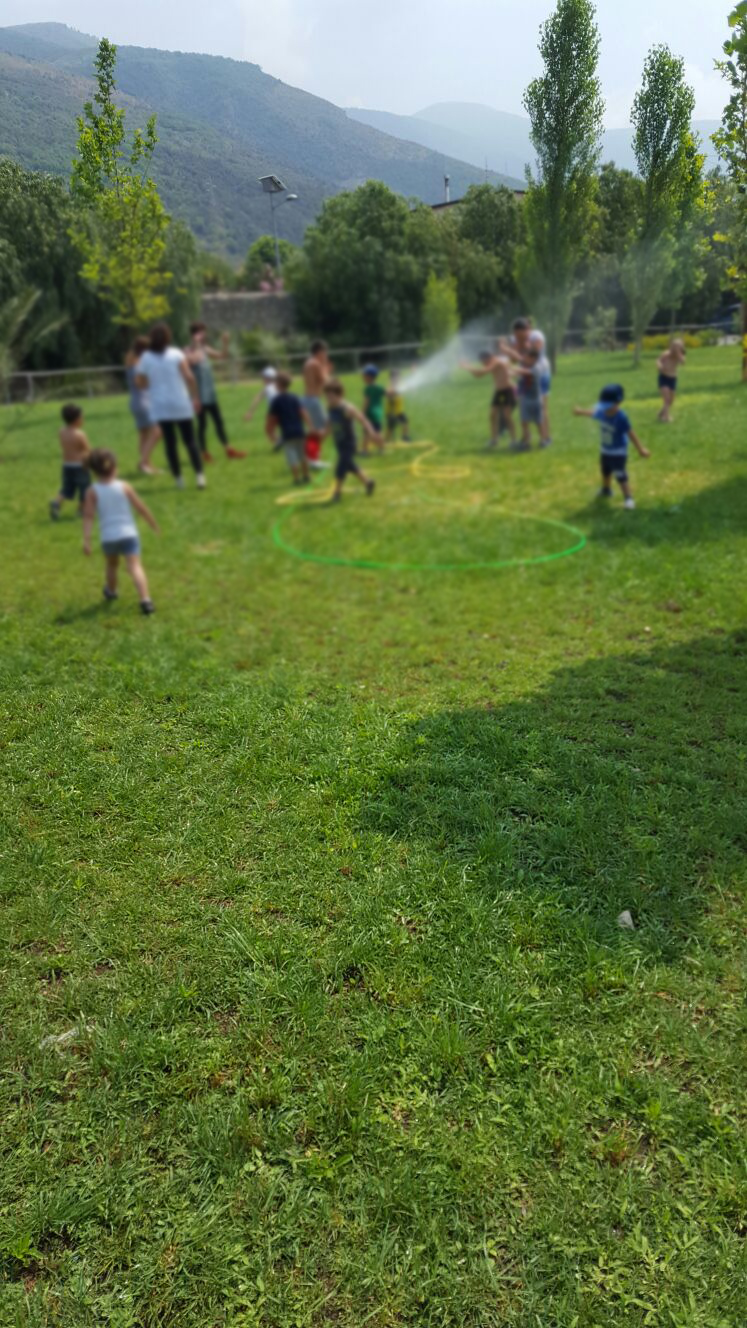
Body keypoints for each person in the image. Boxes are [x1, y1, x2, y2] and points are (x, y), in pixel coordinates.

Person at [82, 448, 159, 614]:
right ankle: (145, 599)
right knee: (135, 566)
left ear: (94, 471)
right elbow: (140, 507)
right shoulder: (124, 486)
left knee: (112, 566)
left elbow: (88, 516)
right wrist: (153, 523)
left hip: (109, 537)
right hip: (129, 534)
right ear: (114, 467)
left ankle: (111, 591)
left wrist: (86, 540)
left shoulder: (92, 491)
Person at [136, 323, 206, 490]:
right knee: (190, 441)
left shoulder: (146, 357)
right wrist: (195, 397)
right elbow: (189, 377)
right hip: (180, 402)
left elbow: (140, 382)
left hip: (161, 405)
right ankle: (200, 477)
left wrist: (152, 384)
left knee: (170, 443)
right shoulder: (176, 353)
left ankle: (179, 480)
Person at [573, 384, 650, 510]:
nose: (606, 410)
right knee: (605, 471)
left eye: (608, 407)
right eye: (604, 407)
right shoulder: (603, 413)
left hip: (618, 452)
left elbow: (631, 433)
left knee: (620, 474)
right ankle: (606, 489)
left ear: (618, 403)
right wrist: (581, 412)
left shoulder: (621, 417)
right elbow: (593, 413)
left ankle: (628, 498)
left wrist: (641, 449)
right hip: (605, 450)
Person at [185, 322, 246, 461]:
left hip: (210, 393)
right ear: (193, 334)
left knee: (219, 421)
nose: (203, 335)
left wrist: (225, 343)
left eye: (203, 332)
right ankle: (204, 452)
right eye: (200, 332)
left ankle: (228, 449)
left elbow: (222, 356)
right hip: (198, 395)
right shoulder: (187, 350)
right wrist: (197, 345)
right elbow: (193, 360)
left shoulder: (205, 349)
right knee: (202, 425)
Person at [322, 379, 378, 502]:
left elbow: (362, 419)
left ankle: (337, 493)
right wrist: (322, 436)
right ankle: (368, 483)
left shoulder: (346, 408)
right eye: (327, 396)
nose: (328, 399)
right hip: (339, 443)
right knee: (350, 465)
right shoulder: (330, 408)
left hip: (349, 443)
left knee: (340, 467)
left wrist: (371, 432)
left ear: (339, 395)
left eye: (331, 396)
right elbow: (329, 424)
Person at [501, 317, 552, 446]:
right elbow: (514, 360)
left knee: (542, 407)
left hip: (540, 374)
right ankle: (526, 438)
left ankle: (546, 438)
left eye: (521, 336)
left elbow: (532, 356)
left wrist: (514, 350)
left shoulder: (537, 336)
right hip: (524, 376)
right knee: (523, 406)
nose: (518, 339)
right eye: (516, 336)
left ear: (527, 330)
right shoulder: (516, 341)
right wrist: (512, 352)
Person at [461, 349, 518, 449]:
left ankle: (514, 440)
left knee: (507, 416)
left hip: (508, 390)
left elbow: (484, 371)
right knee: (492, 415)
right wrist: (468, 368)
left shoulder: (497, 361)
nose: (483, 364)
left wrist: (467, 367)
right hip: (499, 391)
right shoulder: (490, 363)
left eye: (484, 362)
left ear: (489, 358)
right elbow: (478, 375)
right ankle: (494, 440)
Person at [124, 336, 162, 475]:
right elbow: (139, 384)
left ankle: (146, 464)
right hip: (143, 401)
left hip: (136, 402)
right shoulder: (137, 364)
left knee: (144, 435)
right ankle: (143, 462)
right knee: (158, 432)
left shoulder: (132, 360)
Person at [266, 372, 310, 485]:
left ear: (278, 384)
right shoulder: (295, 398)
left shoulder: (276, 401)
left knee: (292, 457)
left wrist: (270, 432)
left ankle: (296, 478)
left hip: (287, 433)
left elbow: (272, 418)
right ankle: (306, 476)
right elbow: (303, 412)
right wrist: (310, 426)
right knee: (302, 455)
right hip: (299, 431)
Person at [50, 403, 91, 520]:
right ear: (77, 420)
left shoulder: (61, 431)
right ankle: (80, 510)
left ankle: (56, 503)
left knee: (67, 488)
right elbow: (87, 450)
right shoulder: (80, 434)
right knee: (84, 489)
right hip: (80, 466)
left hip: (67, 465)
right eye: (82, 417)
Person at [302, 340, 332, 468]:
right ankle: (313, 458)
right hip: (313, 400)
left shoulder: (308, 362)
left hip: (308, 399)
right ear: (319, 352)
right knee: (324, 428)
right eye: (325, 352)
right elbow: (326, 382)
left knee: (316, 430)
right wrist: (325, 369)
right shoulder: (316, 363)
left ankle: (310, 455)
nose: (326, 355)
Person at [516, 347, 546, 450]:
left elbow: (526, 372)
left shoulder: (537, 367)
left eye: (527, 357)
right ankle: (527, 442)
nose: (525, 359)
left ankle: (542, 440)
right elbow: (520, 375)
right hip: (525, 398)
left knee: (539, 421)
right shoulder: (525, 366)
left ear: (534, 358)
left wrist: (511, 368)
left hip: (536, 399)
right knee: (524, 421)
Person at [656, 339, 686, 423]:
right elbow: (658, 360)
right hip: (664, 377)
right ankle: (666, 417)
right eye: (674, 346)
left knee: (671, 400)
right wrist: (659, 366)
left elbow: (683, 362)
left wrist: (679, 354)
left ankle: (661, 413)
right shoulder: (666, 354)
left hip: (672, 379)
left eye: (678, 347)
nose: (675, 348)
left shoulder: (680, 356)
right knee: (667, 399)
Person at [361, 365, 386, 453]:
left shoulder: (368, 388)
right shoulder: (379, 387)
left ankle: (365, 450)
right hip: (378, 413)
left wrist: (362, 413)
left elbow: (366, 402)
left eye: (364, 375)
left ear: (369, 377)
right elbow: (387, 393)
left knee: (367, 433)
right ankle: (381, 449)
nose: (363, 377)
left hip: (370, 413)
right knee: (378, 431)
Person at [386, 370, 411, 442]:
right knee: (391, 428)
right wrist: (394, 392)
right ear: (391, 378)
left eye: (399, 376)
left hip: (399, 411)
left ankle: (405, 437)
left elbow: (406, 388)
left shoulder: (400, 385)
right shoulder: (390, 386)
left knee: (405, 421)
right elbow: (389, 394)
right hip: (392, 412)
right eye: (396, 377)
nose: (398, 378)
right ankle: (386, 440)